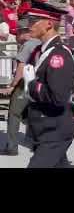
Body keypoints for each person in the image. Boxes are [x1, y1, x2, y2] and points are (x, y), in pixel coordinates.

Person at [23, 0, 74, 168]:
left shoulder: (58, 54)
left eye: (34, 21)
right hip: (44, 127)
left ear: (48, 24)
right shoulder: (40, 50)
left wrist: (32, 85)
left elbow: (58, 96)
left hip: (54, 130)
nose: (29, 25)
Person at [0, 19, 41, 156]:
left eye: (17, 33)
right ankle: (36, 142)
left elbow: (21, 67)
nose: (16, 36)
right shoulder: (41, 42)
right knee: (34, 113)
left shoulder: (28, 45)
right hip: (40, 83)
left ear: (24, 33)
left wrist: (12, 86)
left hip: (25, 84)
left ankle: (11, 147)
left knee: (14, 113)